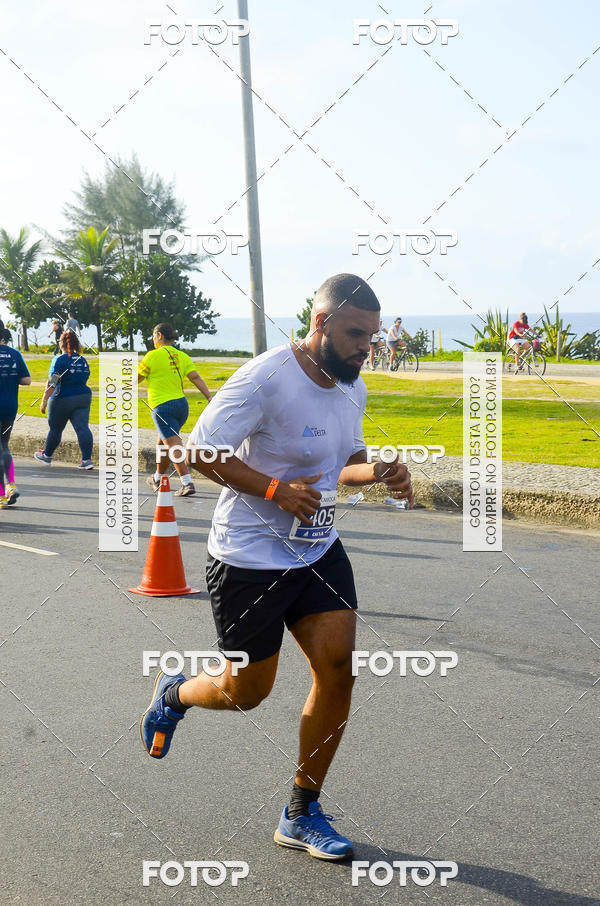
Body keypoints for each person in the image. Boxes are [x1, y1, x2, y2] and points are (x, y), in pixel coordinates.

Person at [139, 274, 414, 860]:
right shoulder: (265, 379)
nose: (367, 346)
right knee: (245, 692)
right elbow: (199, 451)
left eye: (371, 334)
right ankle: (177, 693)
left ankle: (301, 809)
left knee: (338, 669)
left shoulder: (351, 385)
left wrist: (382, 472)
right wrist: (273, 490)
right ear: (319, 325)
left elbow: (346, 463)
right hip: (248, 559)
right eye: (355, 334)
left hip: (317, 550)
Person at [137, 322, 212, 498]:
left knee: (173, 445)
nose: (153, 339)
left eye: (154, 336)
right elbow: (195, 377)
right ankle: (157, 477)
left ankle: (187, 482)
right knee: (162, 442)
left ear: (160, 336)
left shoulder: (152, 356)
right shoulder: (182, 356)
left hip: (163, 408)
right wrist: (209, 397)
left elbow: (137, 378)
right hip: (181, 407)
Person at [34, 331, 94, 469]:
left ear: (62, 342)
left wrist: (44, 400)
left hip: (62, 397)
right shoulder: (82, 360)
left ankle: (47, 456)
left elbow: (52, 382)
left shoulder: (59, 360)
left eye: (59, 340)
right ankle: (86, 460)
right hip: (83, 397)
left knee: (55, 429)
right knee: (83, 428)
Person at [0, 328, 31, 507]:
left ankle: (2, 493)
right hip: (10, 406)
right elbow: (27, 380)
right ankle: (10, 484)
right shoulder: (14, 354)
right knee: (4, 445)